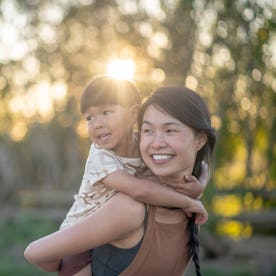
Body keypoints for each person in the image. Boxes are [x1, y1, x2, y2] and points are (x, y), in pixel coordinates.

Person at [24, 84, 215, 276]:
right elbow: (140, 190)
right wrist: (189, 201)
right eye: (89, 118)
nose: (156, 143)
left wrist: (198, 187)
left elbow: (203, 168)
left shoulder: (140, 149)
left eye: (170, 131)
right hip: (78, 239)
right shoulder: (103, 160)